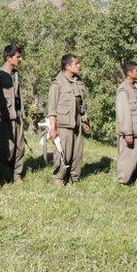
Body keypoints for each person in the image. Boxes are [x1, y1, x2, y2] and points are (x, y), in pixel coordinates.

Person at [47, 54, 90, 186]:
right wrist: (53, 129)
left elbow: (82, 104)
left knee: (77, 153)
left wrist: (84, 121)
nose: (79, 65)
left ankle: (74, 178)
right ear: (67, 66)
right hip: (63, 125)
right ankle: (59, 179)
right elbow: (52, 108)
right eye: (76, 63)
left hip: (77, 123)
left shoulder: (78, 81)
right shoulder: (57, 83)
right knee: (63, 153)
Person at [115, 61, 137, 186]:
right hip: (130, 131)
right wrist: (127, 132)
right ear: (129, 73)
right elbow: (123, 113)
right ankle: (123, 182)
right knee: (128, 158)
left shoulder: (136, 87)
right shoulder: (123, 89)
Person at [0, 44, 26, 184]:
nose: (21, 59)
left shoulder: (16, 74)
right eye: (18, 57)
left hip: (17, 116)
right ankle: (0, 177)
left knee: (19, 147)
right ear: (9, 58)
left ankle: (17, 175)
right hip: (4, 118)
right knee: (4, 149)